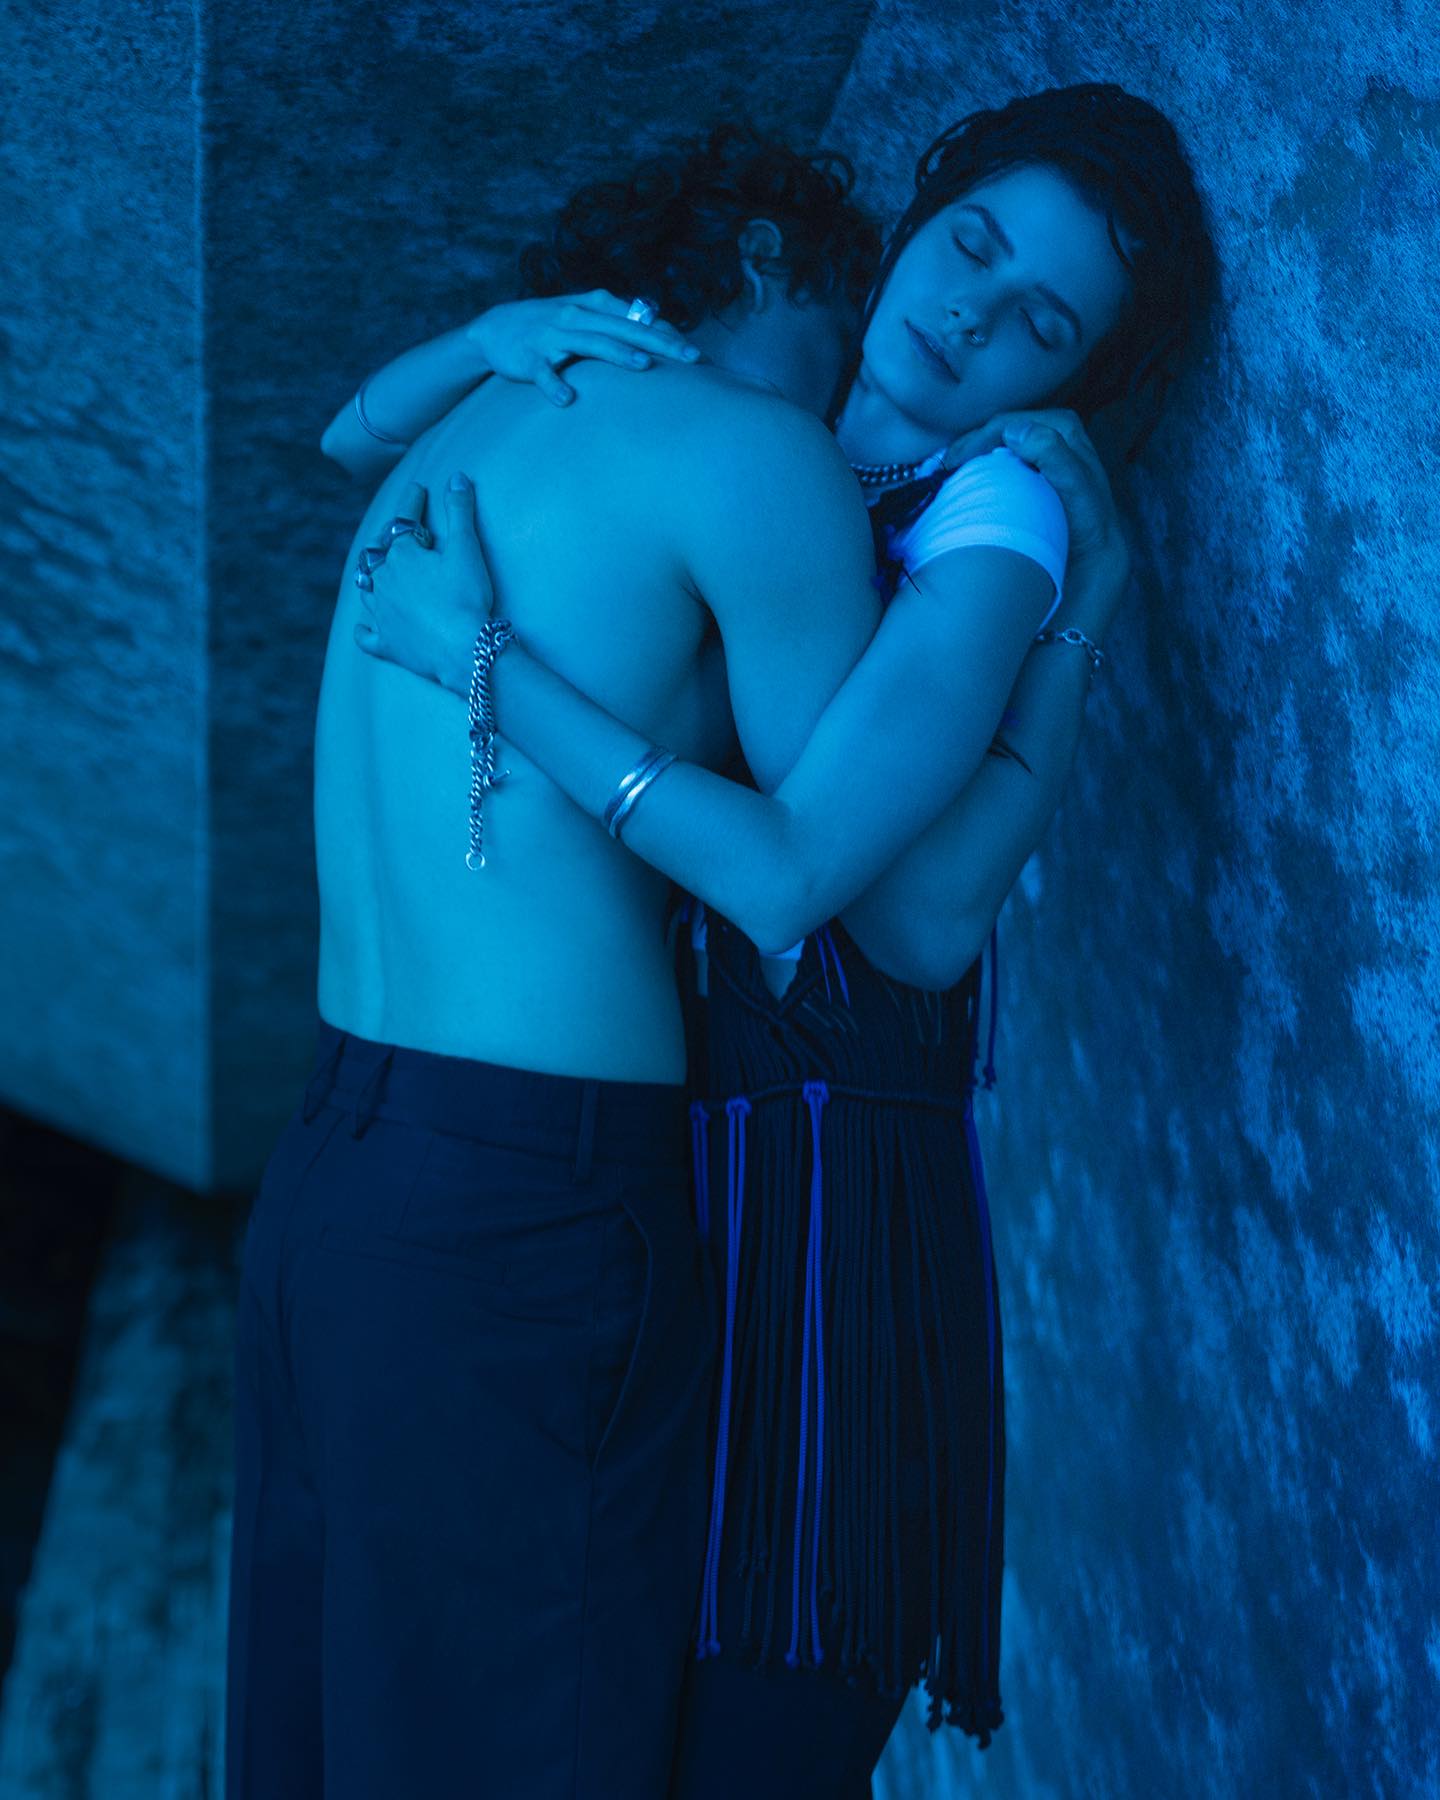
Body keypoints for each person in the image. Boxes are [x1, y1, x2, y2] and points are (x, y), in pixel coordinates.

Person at [350, 84, 1218, 1794]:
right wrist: (494, 335)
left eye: (1043, 321)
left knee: (761, 1689)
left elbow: (900, 913)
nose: (972, 312)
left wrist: (482, 666)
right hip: (701, 1161)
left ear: (1069, 382)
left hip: (831, 1197)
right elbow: (356, 441)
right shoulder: (788, 426)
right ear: (916, 222)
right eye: (971, 244)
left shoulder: (996, 518)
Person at [224, 124, 886, 1800]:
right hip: (523, 1206)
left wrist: (486, 330)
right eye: (844, 350)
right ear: (764, 262)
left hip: (333, 1180)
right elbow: (828, 878)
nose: (846, 406)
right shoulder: (755, 451)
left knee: (335, 1736)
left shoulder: (465, 423)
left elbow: (341, 425)